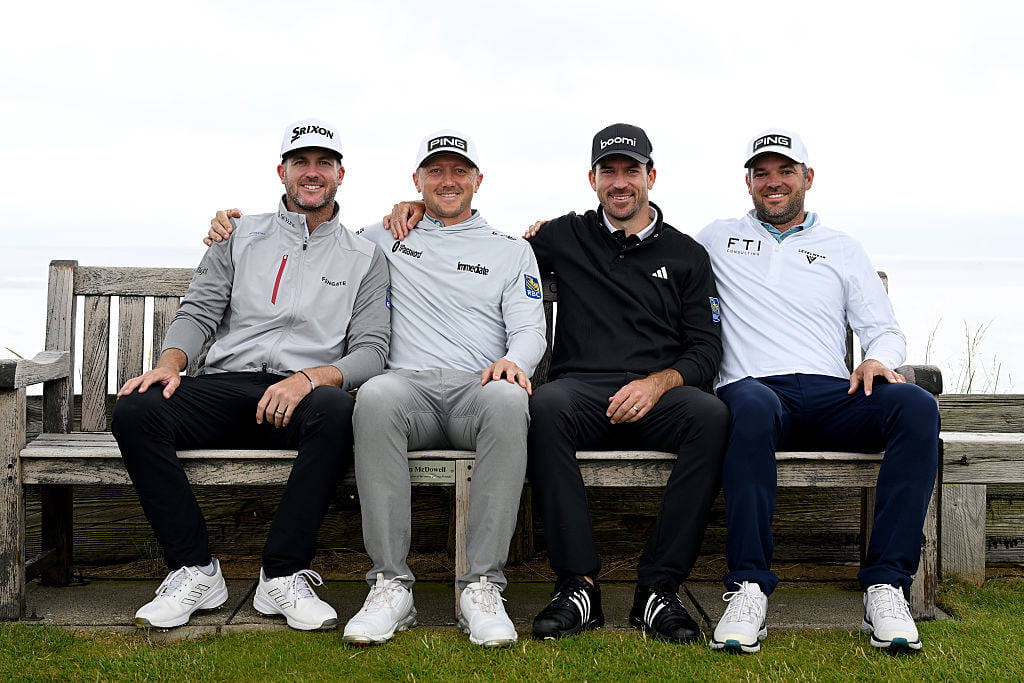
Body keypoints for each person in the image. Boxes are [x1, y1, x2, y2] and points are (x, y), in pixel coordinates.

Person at [387, 124, 728, 644]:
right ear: (591, 179)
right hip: (581, 393)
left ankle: (658, 590)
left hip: (659, 396)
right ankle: (578, 585)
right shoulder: (561, 237)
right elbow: (484, 243)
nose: (619, 182)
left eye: (630, 171)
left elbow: (706, 349)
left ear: (650, 177)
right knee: (542, 406)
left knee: (712, 416)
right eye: (608, 171)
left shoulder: (687, 254)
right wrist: (417, 203)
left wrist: (658, 384)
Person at [207, 130, 546, 648]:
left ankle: (481, 587)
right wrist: (229, 226)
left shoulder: (511, 249)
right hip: (404, 389)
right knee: (374, 395)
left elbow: (528, 328)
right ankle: (391, 584)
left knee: (508, 398)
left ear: (479, 180)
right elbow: (313, 235)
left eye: (460, 171)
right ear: (417, 180)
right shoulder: (380, 237)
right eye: (435, 171)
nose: (448, 180)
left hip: (477, 387)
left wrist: (512, 362)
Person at [112, 118, 390, 632]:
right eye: (300, 162)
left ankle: (282, 576)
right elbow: (199, 312)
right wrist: (168, 365)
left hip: (300, 398)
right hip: (226, 385)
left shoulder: (365, 255)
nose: (312, 172)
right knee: (136, 407)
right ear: (281, 171)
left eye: (323, 163)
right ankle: (193, 570)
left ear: (341, 174)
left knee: (337, 410)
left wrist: (309, 379)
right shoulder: (237, 234)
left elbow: (372, 351)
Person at [696, 128, 940, 653]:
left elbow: (884, 328)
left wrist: (878, 358)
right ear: (748, 182)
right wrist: (549, 233)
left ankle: (887, 585)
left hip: (834, 393)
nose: (773, 181)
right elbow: (651, 247)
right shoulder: (717, 237)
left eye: (785, 171)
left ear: (808, 178)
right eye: (761, 172)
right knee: (749, 404)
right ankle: (749, 586)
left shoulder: (842, 248)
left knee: (916, 407)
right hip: (758, 392)